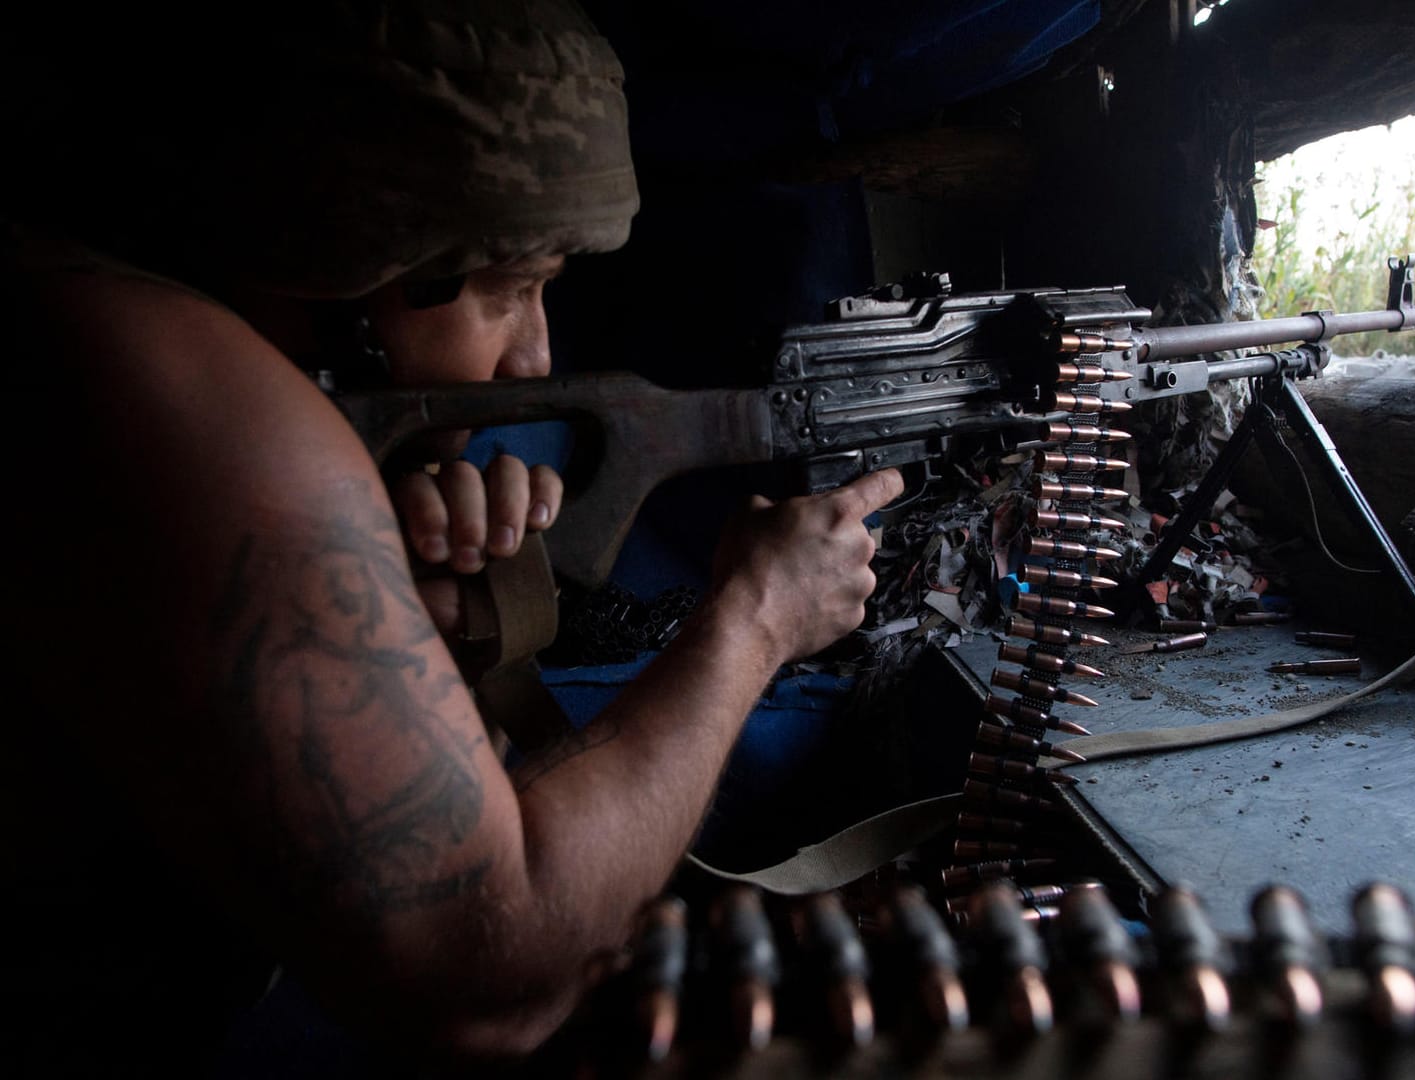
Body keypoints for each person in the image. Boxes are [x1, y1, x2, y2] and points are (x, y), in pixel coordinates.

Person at [2, 1, 899, 1069]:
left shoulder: (82, 312)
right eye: (510, 289)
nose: (532, 358)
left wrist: (439, 621)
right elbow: (488, 981)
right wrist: (759, 618)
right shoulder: (193, 404)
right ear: (352, 264)